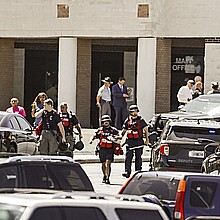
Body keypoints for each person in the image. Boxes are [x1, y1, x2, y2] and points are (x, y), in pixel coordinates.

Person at [89, 114, 119, 184]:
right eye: (104, 121)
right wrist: (91, 140)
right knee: (103, 163)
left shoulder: (113, 130)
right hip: (102, 149)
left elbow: (119, 136)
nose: (106, 122)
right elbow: (94, 135)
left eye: (107, 121)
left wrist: (114, 138)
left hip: (110, 149)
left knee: (108, 163)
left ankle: (108, 177)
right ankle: (104, 175)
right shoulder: (100, 130)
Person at [121, 105, 149, 178]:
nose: (134, 113)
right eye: (132, 111)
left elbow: (146, 130)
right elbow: (124, 130)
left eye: (135, 111)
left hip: (139, 141)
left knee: (138, 157)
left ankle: (138, 171)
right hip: (130, 141)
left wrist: (147, 140)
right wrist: (120, 137)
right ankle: (127, 171)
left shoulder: (141, 121)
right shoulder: (127, 120)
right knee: (128, 157)